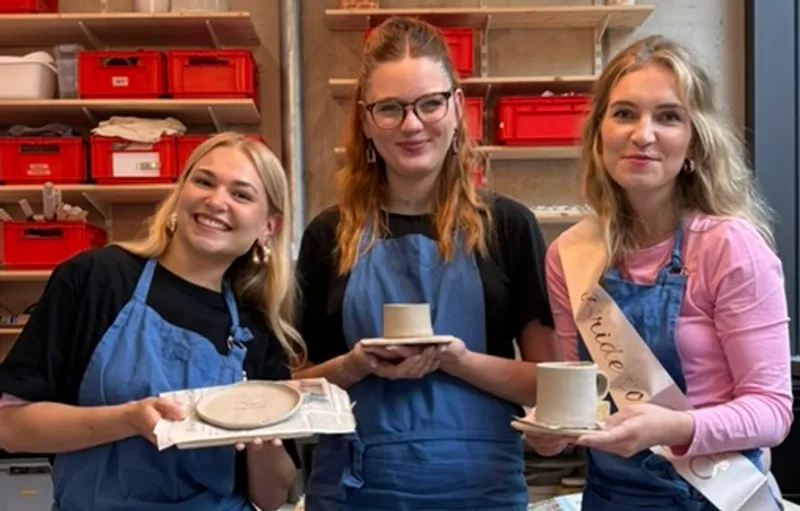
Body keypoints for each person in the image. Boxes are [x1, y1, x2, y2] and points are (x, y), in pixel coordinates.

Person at [294, 16, 557, 511]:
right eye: (390, 109)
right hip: (356, 488)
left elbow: (550, 380)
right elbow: (293, 386)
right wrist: (354, 366)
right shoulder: (328, 235)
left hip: (482, 490)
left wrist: (458, 360)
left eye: (429, 103)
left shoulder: (509, 226)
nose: (412, 125)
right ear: (367, 121)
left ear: (457, 107)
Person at [522, 35, 794, 510]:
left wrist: (675, 428)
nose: (642, 134)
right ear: (598, 133)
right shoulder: (570, 253)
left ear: (694, 140)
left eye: (668, 116)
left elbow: (773, 411)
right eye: (624, 113)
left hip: (717, 497)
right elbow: (583, 399)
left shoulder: (730, 247)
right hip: (614, 500)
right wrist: (554, 431)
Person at [0, 132, 305, 511]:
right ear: (181, 192)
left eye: (241, 195)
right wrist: (128, 420)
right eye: (203, 182)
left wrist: (266, 438)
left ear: (268, 228)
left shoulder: (255, 329)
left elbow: (271, 497)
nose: (216, 201)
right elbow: (10, 427)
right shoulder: (97, 279)